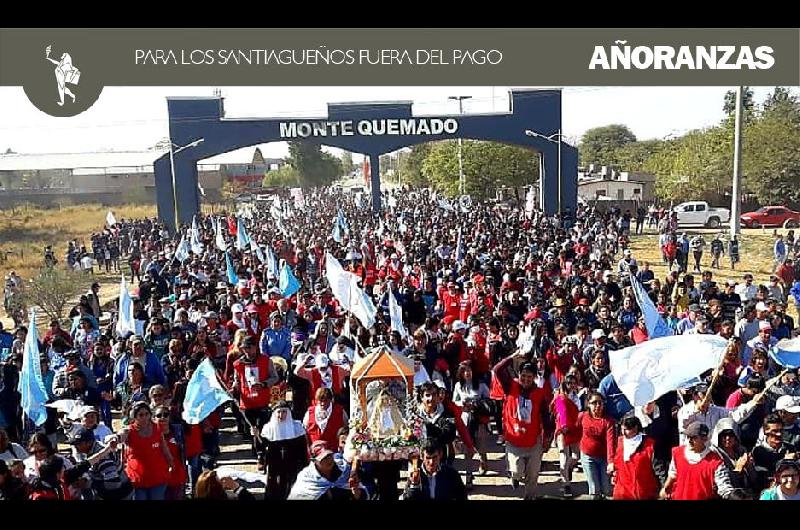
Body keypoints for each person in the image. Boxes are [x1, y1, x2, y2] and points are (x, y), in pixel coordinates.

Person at [492, 352, 550, 500]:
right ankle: (514, 475)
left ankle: (529, 497)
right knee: (517, 471)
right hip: (514, 441)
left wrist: (547, 438)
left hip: (533, 442)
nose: (526, 379)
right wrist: (512, 358)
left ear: (534, 378)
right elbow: (497, 370)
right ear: (519, 375)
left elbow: (546, 417)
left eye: (529, 377)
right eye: (523, 375)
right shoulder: (510, 386)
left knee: (533, 475)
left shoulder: (539, 393)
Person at [660, 421, 742, 500]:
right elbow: (673, 474)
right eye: (688, 436)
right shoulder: (678, 453)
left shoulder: (715, 462)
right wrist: (665, 488)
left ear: (704, 439)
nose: (689, 440)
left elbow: (724, 487)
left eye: (694, 437)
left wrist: (733, 496)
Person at [115, 401, 174, 500]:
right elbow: (122, 434)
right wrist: (117, 437)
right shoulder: (130, 431)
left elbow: (164, 448)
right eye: (141, 415)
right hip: (137, 480)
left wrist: (171, 463)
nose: (144, 417)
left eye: (147, 414)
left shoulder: (157, 428)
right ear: (134, 416)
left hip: (158, 478)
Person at [260, 400, 308, 500]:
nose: (281, 415)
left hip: (293, 465)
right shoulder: (268, 429)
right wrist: (256, 436)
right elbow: (263, 448)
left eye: (284, 412)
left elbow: (302, 448)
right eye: (279, 412)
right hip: (275, 465)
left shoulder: (297, 427)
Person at [287, 440, 366, 500]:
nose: (328, 460)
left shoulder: (344, 469)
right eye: (323, 458)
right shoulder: (306, 477)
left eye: (329, 455)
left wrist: (356, 492)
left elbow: (362, 495)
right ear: (314, 461)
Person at [611, 415, 665, 500]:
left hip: (643, 491)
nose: (623, 432)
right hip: (622, 491)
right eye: (622, 429)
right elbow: (617, 461)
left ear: (635, 428)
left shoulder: (650, 445)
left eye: (626, 429)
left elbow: (659, 469)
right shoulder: (620, 441)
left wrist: (664, 487)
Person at [578, 392, 615, 499]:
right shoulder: (582, 416)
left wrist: (611, 462)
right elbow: (573, 429)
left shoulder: (608, 421)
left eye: (600, 403)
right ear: (588, 404)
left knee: (607, 488)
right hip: (588, 457)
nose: (598, 406)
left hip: (604, 458)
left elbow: (610, 442)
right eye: (594, 403)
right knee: (594, 489)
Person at [402, 441, 467, 500]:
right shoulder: (415, 474)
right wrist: (414, 485)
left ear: (440, 455)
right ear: (422, 457)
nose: (431, 462)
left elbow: (462, 495)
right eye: (428, 458)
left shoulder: (451, 473)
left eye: (434, 457)